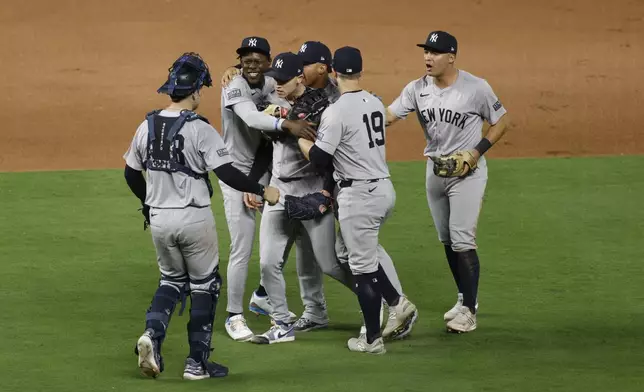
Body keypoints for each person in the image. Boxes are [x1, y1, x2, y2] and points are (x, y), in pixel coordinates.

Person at [123, 52, 280, 379]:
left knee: (170, 280)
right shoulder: (199, 129)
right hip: (194, 220)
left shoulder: (146, 125)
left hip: (160, 221)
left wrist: (149, 203)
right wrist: (262, 190)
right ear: (195, 91)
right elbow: (226, 173)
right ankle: (197, 363)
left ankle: (152, 335)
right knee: (205, 286)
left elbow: (130, 174)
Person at [386, 31, 510, 333]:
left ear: (451, 57)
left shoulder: (475, 88)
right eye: (426, 52)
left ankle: (469, 309)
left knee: (462, 239)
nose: (428, 58)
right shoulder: (418, 88)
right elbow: (387, 115)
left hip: (467, 173)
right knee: (447, 240)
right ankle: (463, 297)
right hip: (436, 171)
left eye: (435, 52)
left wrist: (475, 152)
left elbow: (501, 122)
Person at [297, 46, 418, 354]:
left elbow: (321, 159)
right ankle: (396, 301)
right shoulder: (375, 103)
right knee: (354, 253)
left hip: (359, 196)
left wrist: (297, 136)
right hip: (383, 189)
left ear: (334, 73)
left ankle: (373, 339)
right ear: (360, 72)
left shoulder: (336, 111)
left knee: (362, 267)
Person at [247, 52, 355, 344]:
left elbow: (333, 155)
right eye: (275, 79)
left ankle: (384, 300)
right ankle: (282, 323)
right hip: (278, 191)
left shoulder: (323, 108)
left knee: (327, 264)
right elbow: (263, 146)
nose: (278, 85)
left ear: (300, 77)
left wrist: (327, 191)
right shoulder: (272, 105)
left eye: (284, 80)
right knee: (268, 262)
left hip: (311, 190)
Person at [219, 36, 314, 341]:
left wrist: (258, 182)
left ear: (268, 62)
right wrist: (287, 125)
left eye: (258, 60)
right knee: (242, 247)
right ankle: (234, 315)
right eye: (246, 60)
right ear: (240, 62)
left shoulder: (272, 85)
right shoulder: (234, 86)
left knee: (284, 232)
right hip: (234, 174)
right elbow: (250, 117)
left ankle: (261, 295)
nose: (251, 65)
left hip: (263, 172)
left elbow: (265, 142)